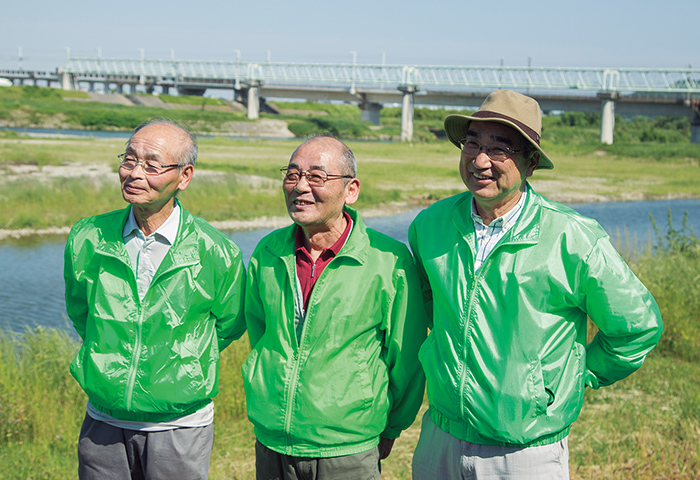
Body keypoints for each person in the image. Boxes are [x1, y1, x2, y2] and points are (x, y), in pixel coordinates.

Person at [409, 90, 663, 479]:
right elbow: (430, 306)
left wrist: (573, 377)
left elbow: (637, 326)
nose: (479, 160)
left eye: (499, 149)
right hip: (440, 438)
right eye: (472, 143)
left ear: (530, 161)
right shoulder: (430, 225)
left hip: (527, 451)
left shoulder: (572, 237)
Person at [64, 118, 246, 480]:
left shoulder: (217, 251)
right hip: (104, 420)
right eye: (129, 160)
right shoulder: (87, 237)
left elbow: (228, 325)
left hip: (180, 426)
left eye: (151, 165)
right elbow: (81, 312)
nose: (134, 173)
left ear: (184, 176)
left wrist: (182, 365)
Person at [242, 135, 428, 480]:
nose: (300, 187)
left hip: (347, 448)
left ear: (351, 189)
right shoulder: (268, 252)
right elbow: (260, 334)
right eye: (292, 174)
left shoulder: (389, 260)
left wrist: (391, 427)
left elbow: (406, 359)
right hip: (272, 440)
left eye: (316, 177)